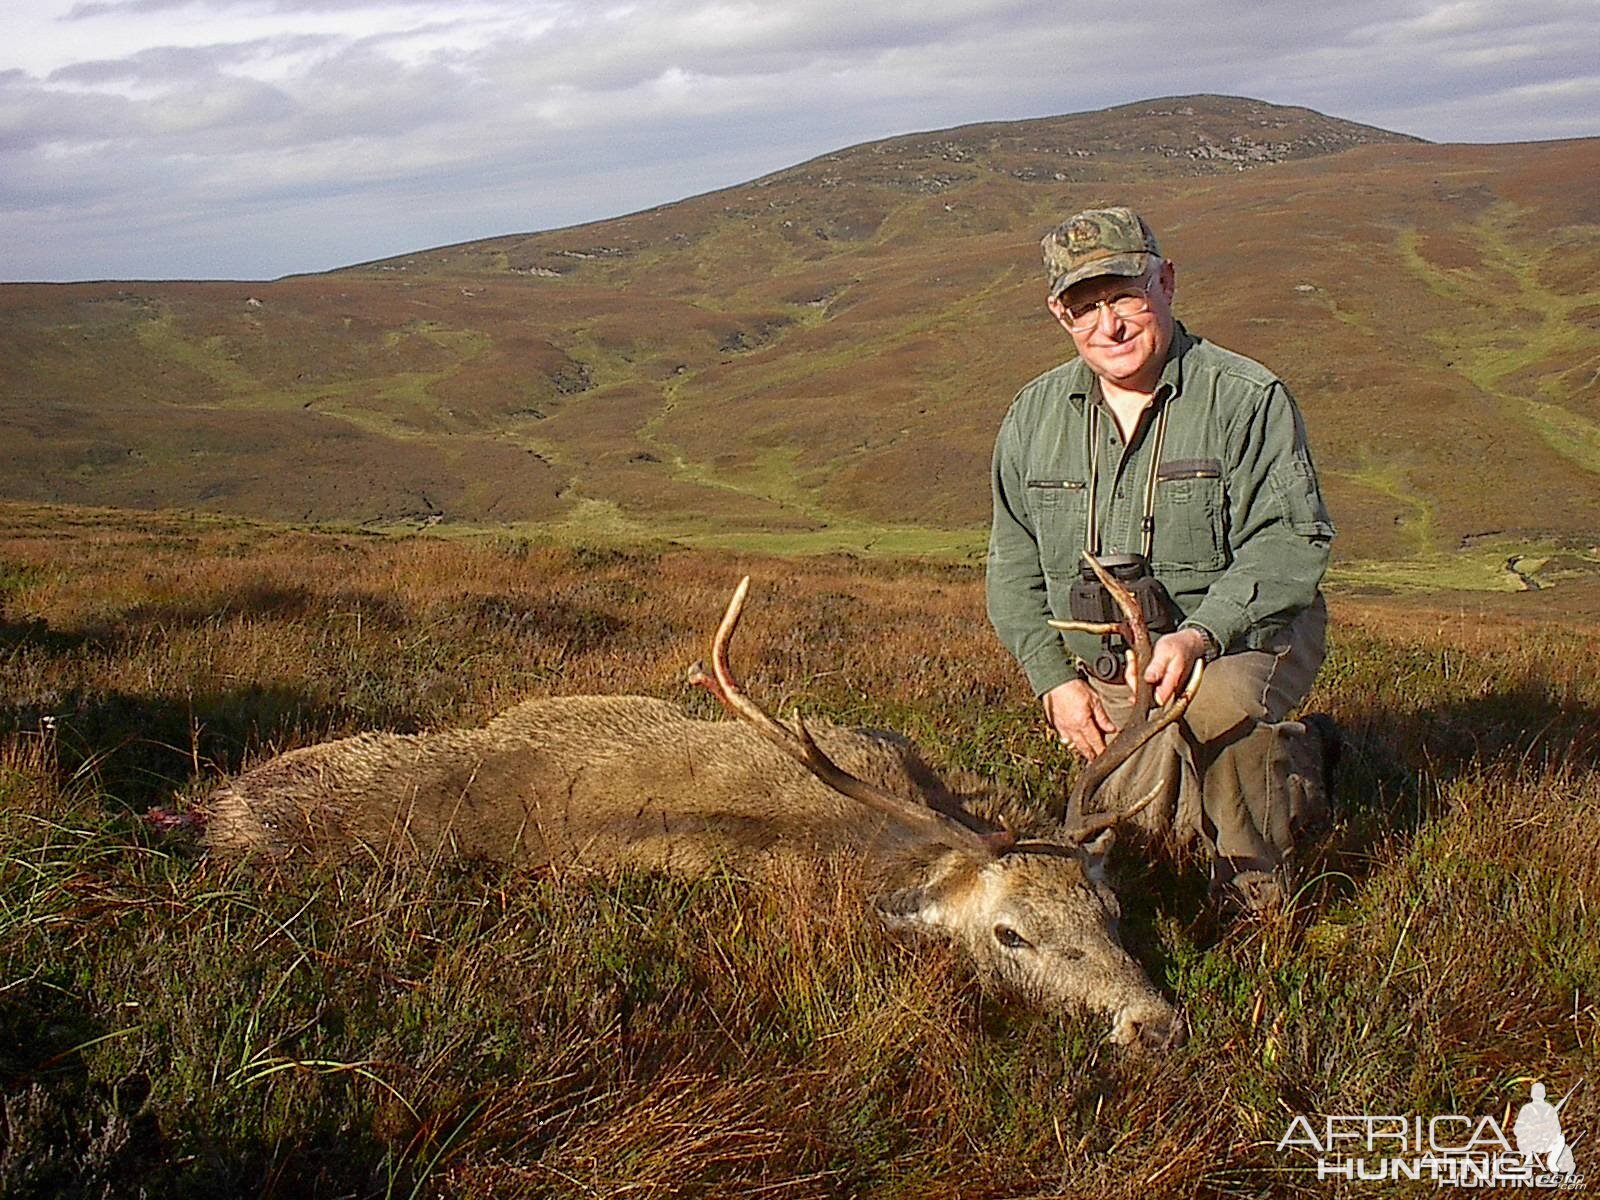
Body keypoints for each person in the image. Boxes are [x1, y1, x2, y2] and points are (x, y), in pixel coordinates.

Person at [986, 205, 1337, 911]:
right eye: (1084, 307)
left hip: (1239, 639)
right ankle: (1308, 763)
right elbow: (1012, 561)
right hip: (1113, 664)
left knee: (1222, 717)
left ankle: (1253, 905)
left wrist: (1202, 633)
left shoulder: (1245, 397)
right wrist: (1053, 680)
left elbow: (1291, 541)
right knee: (1137, 828)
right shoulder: (1033, 415)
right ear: (1060, 315)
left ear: (1166, 282)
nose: (1108, 325)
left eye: (1123, 297)